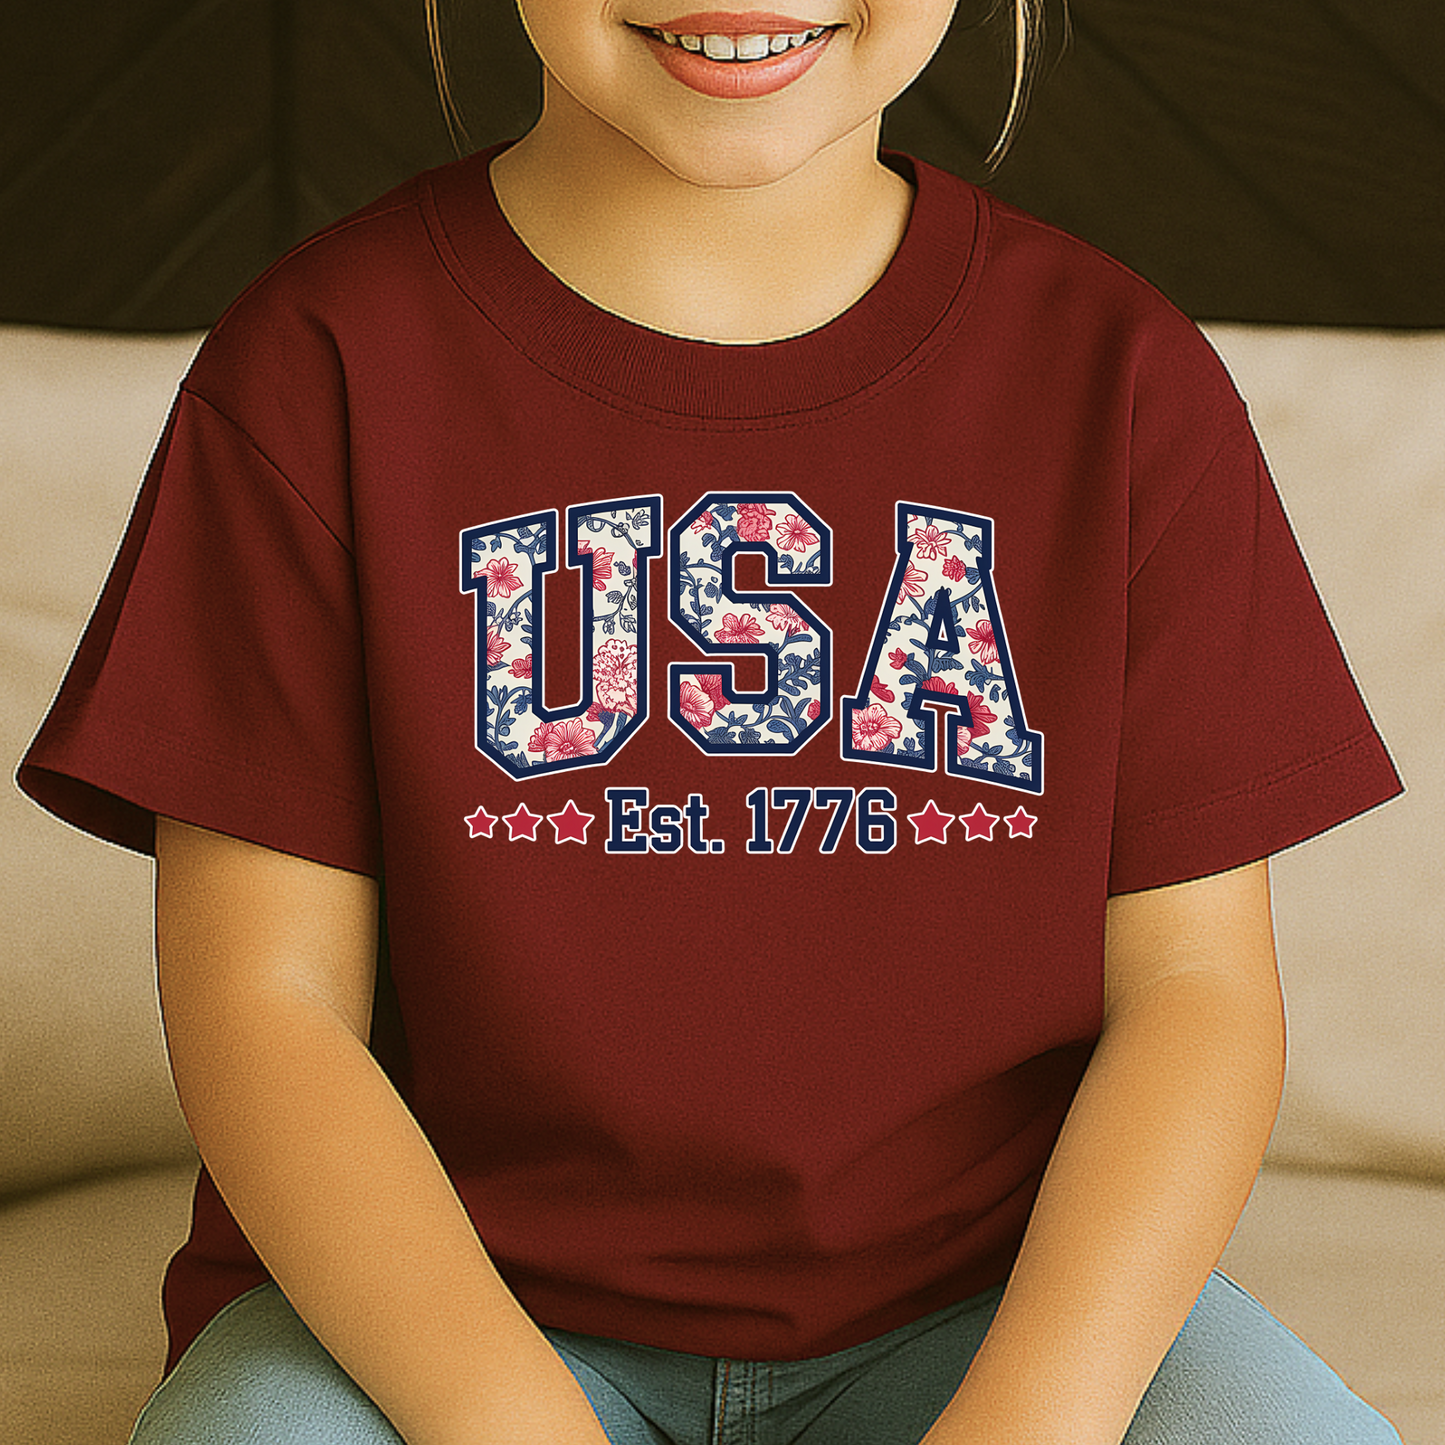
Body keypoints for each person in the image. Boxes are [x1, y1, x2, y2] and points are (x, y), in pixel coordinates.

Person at [19, 0, 1405, 1441]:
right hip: (433, 1332)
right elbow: (266, 1004)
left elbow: (1197, 996)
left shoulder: (1124, 379)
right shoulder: (315, 368)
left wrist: (1033, 1421)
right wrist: (511, 1423)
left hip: (991, 1315)